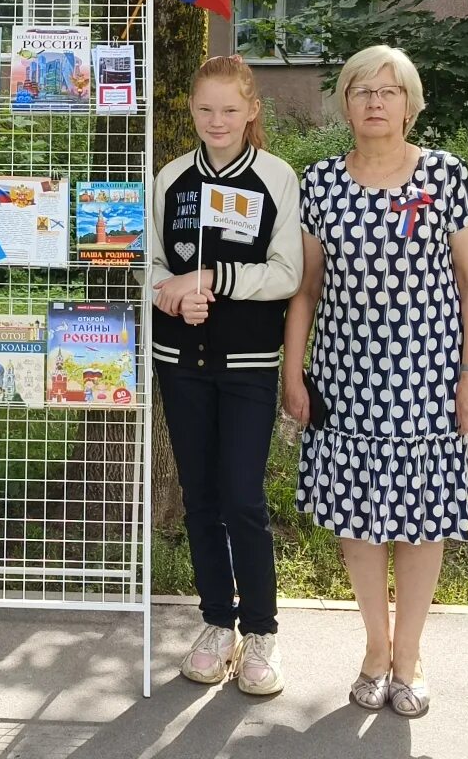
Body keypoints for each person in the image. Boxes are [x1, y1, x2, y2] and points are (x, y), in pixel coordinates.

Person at [283, 44, 468, 720]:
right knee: (359, 519)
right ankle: (375, 650)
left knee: (422, 520)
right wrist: (295, 368)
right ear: (344, 102)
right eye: (362, 90)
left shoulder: (445, 177)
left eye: (389, 90)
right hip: (345, 378)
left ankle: (411, 656)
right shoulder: (320, 184)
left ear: (410, 101)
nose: (376, 102)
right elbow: (306, 291)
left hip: (430, 377)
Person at [146, 54, 303, 696]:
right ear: (191, 111)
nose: (217, 120)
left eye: (229, 109)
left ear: (251, 111)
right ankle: (216, 623)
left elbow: (288, 272)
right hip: (179, 364)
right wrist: (170, 293)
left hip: (247, 365)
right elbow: (149, 262)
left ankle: (260, 632)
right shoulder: (170, 178)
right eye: (206, 109)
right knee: (201, 499)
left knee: (242, 498)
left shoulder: (276, 178)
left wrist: (215, 281)